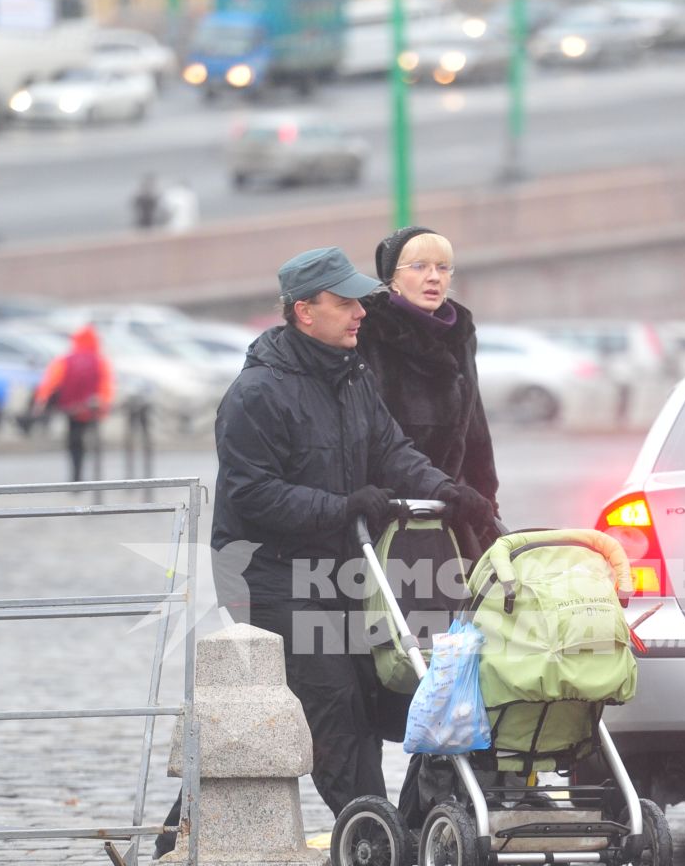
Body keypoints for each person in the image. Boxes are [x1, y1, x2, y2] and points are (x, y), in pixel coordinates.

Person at [212, 246, 496, 817]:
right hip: (269, 573)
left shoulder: (351, 375)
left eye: (359, 301)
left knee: (400, 687)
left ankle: (410, 831)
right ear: (303, 312)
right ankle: (371, 841)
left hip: (342, 563)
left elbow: (391, 450)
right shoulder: (257, 393)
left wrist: (446, 490)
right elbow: (252, 494)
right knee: (336, 702)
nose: (360, 313)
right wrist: (342, 506)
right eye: (344, 303)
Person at [354, 224, 502, 554]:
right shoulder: (369, 333)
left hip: (456, 507)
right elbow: (365, 434)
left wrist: (486, 497)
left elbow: (475, 427)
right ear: (392, 278)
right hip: (391, 511)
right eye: (419, 267)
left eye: (442, 267)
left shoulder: (460, 333)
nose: (434, 277)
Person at [29, 325, 113, 481]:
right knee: (88, 443)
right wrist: (104, 407)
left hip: (71, 410)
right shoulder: (100, 361)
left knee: (75, 444)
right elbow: (106, 386)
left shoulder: (65, 360)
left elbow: (50, 382)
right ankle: (87, 478)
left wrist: (41, 402)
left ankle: (76, 476)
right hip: (91, 409)